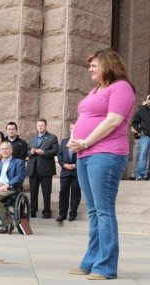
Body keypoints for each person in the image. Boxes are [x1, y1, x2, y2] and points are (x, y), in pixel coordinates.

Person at [68, 49, 135, 280]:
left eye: (94, 65)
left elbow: (114, 120)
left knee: (104, 211)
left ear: (107, 65)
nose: (89, 69)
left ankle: (106, 266)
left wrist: (85, 140)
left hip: (106, 153)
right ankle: (91, 261)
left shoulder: (122, 87)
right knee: (94, 211)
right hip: (85, 154)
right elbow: (87, 117)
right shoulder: (96, 89)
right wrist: (75, 136)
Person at [26, 119, 59, 219]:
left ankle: (46, 212)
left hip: (46, 169)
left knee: (46, 192)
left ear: (46, 126)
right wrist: (30, 152)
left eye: (42, 125)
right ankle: (32, 211)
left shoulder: (52, 137)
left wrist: (44, 153)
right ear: (36, 127)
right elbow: (26, 151)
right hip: (33, 169)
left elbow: (56, 151)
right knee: (33, 192)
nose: (40, 127)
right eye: (38, 125)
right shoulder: (32, 138)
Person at [56, 123, 81, 222]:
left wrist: (76, 165)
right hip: (65, 171)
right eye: (71, 128)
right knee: (63, 193)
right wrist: (64, 164)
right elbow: (60, 154)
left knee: (75, 193)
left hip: (76, 172)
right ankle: (62, 214)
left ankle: (73, 214)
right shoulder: (64, 141)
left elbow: (84, 155)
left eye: (75, 128)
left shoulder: (81, 141)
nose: (73, 130)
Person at [131, 95, 150, 180]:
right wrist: (140, 130)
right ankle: (139, 175)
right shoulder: (141, 110)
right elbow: (134, 122)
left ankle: (147, 174)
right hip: (145, 135)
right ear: (147, 100)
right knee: (142, 155)